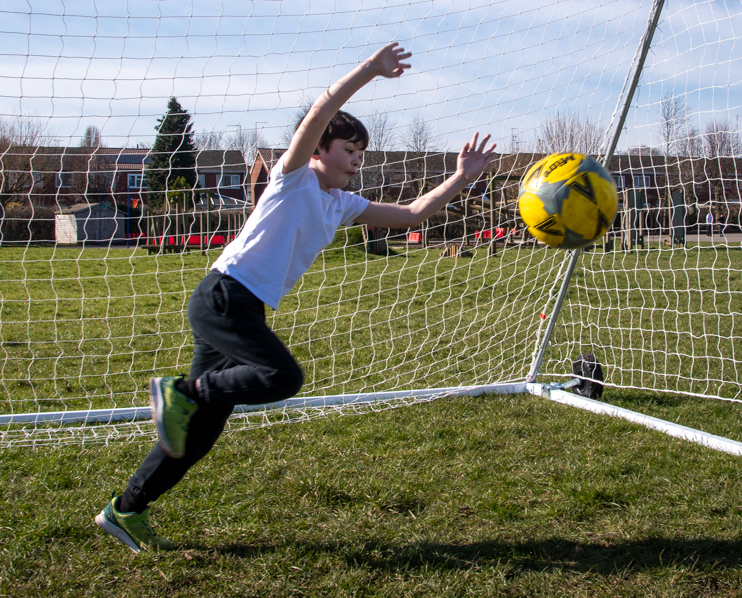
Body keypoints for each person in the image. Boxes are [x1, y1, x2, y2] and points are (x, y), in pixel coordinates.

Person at [94, 42, 497, 553]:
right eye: (348, 150)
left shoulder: (344, 205)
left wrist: (462, 177)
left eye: (360, 155)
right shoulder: (291, 179)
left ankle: (126, 510)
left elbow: (415, 215)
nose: (355, 161)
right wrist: (371, 70)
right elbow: (321, 110)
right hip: (225, 297)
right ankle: (182, 391)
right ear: (319, 151)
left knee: (197, 434)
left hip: (242, 306)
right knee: (281, 377)